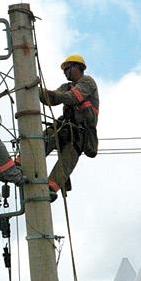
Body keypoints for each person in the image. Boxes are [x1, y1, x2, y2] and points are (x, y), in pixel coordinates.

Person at [40, 55, 99, 201]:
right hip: (65, 127)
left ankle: (51, 188)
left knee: (66, 161)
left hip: (80, 132)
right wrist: (36, 91)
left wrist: (48, 93)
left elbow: (71, 97)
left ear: (78, 67)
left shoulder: (87, 82)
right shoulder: (66, 87)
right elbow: (52, 99)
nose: (65, 72)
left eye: (68, 68)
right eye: (64, 70)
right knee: (46, 137)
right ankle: (24, 160)